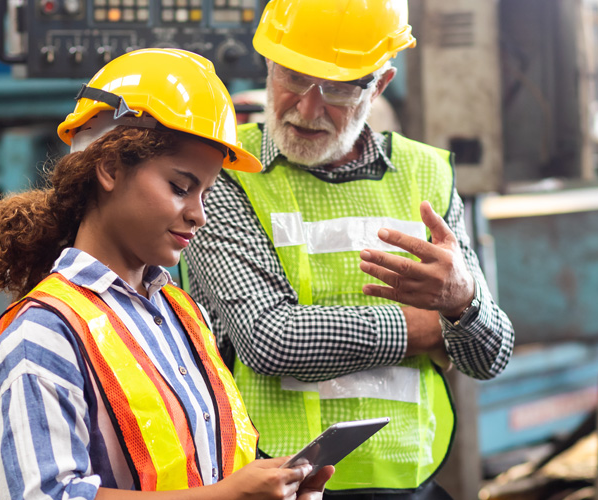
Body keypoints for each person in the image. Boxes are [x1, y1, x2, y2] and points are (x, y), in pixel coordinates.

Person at [182, 1, 516, 498]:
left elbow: (489, 357)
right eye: (293, 77)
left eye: (338, 87)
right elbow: (271, 338)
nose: (307, 107)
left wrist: (464, 302)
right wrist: (423, 327)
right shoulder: (227, 172)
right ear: (269, 64)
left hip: (409, 483)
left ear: (379, 85)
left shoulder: (426, 175)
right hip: (274, 484)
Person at [0, 48, 333, 500]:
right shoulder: (43, 333)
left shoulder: (183, 314)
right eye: (181, 187)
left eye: (205, 192)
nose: (198, 214)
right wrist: (228, 497)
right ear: (108, 167)